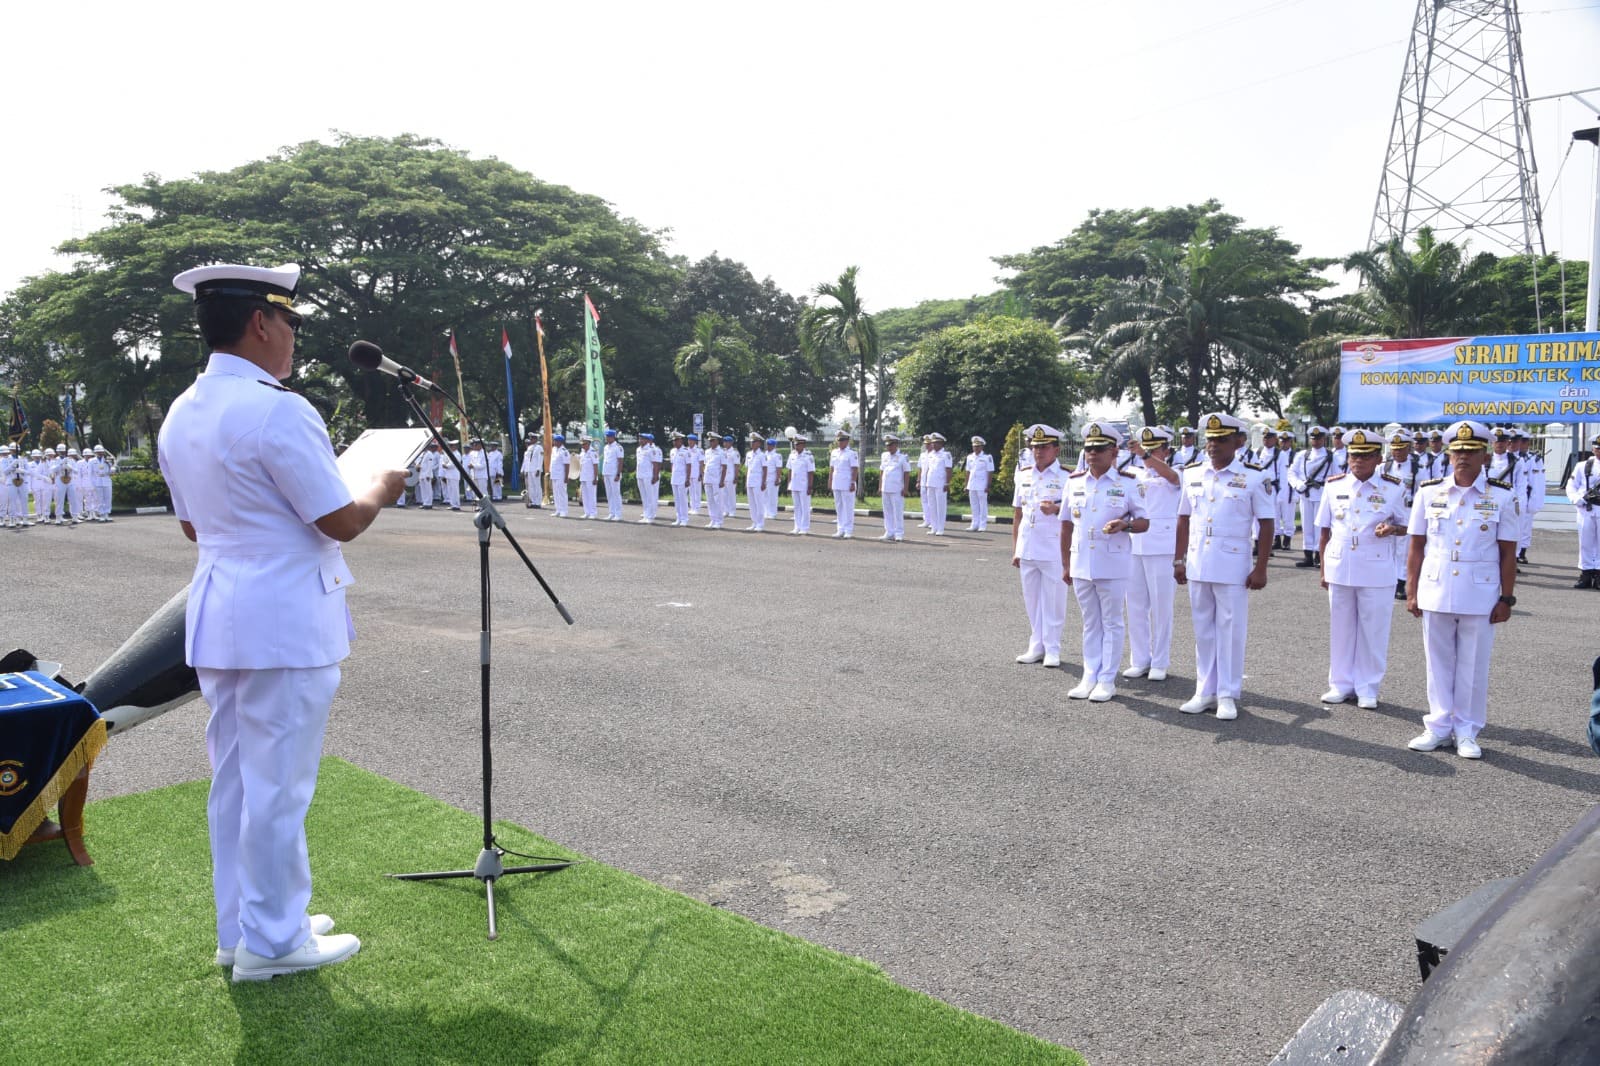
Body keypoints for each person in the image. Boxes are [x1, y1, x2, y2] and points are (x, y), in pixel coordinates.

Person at [159, 262, 404, 980]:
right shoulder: (279, 409)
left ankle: (246, 925)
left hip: (222, 610)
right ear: (261, 323)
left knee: (237, 781)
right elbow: (340, 519)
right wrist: (381, 486)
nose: (294, 337)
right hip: (283, 620)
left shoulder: (184, 409)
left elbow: (190, 527)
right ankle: (274, 943)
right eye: (290, 322)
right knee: (279, 788)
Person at [1404, 419, 1519, 760]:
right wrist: (1412, 591)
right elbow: (1416, 546)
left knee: (1472, 664)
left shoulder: (1501, 495)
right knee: (1437, 662)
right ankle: (1438, 726)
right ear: (1449, 453)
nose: (1463, 456)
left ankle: (1466, 730)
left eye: (1471, 450)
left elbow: (1508, 551)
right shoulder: (1428, 492)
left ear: (1485, 455)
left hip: (1480, 592)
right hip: (1436, 587)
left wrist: (1506, 597)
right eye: (1458, 450)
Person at [1174, 412, 1275, 721]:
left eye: (1222, 439)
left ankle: (1228, 694)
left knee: (1230, 630)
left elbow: (1268, 524)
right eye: (1211, 439)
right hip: (1198, 562)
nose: (1214, 445)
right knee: (1203, 629)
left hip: (1233, 564)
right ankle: (1205, 690)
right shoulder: (1192, 473)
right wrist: (1178, 560)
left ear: (1239, 441)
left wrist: (1261, 568)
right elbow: (1183, 518)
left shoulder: (1255, 476)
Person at [1316, 429, 1411, 710]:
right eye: (1354, 456)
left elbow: (1410, 527)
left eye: (1365, 456)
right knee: (1341, 628)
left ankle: (1368, 686)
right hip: (1340, 563)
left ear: (1378, 458)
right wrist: (1323, 569)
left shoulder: (1394, 488)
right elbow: (1324, 531)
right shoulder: (1333, 485)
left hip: (1376, 566)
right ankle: (1340, 684)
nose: (1358, 461)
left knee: (1373, 630)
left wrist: (1393, 528)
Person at [1062, 422, 1149, 701]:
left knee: (1111, 622)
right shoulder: (1074, 482)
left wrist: (1125, 525)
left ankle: (1107, 679)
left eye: (1099, 448)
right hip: (1081, 561)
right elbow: (1065, 525)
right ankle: (1090, 675)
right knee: (1090, 622)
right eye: (1088, 448)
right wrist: (1065, 563)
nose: (1092, 453)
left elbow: (1144, 522)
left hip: (1112, 562)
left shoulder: (1128, 482)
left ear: (1114, 452)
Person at [1124, 426, 1181, 681]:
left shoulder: (1177, 473)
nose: (1148, 454)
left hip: (1162, 546)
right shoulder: (1133, 474)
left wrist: (1146, 456)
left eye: (1154, 449)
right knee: (1135, 606)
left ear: (1166, 451)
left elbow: (1171, 477)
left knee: (1161, 607)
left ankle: (1160, 661)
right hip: (1135, 544)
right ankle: (1140, 659)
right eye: (1145, 449)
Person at [1012, 425, 1070, 668]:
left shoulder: (1068, 477)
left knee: (1054, 600)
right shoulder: (1024, 474)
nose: (1039, 451)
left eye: (1044, 447)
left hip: (1053, 547)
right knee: (1032, 599)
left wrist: (1056, 509)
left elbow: (1075, 514)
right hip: (1028, 545)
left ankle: (1053, 648)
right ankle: (1036, 645)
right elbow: (1017, 513)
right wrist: (1016, 548)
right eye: (1035, 447)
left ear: (1056, 449)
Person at [1380, 429, 1423, 598]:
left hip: (1407, 509)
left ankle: (1401, 581)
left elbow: (1421, 491)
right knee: (1388, 545)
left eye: (1401, 448)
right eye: (1394, 448)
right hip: (1387, 509)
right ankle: (1389, 579)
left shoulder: (1417, 468)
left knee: (1403, 548)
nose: (1397, 452)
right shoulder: (1385, 466)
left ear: (1408, 448)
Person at [1287, 426, 1335, 567]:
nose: (1316, 441)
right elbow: (1291, 472)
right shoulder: (1302, 455)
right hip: (1306, 493)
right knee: (1307, 525)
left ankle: (1319, 556)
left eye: (1319, 438)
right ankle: (1308, 555)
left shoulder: (1330, 456)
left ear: (1324, 439)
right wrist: (1297, 484)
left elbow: (1336, 475)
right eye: (1313, 438)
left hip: (1322, 493)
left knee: (1320, 526)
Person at [1564, 432, 1600, 589]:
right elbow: (1571, 486)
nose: (1599, 451)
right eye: (1597, 448)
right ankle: (1585, 574)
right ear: (1593, 448)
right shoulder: (1582, 465)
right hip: (1586, 508)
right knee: (1585, 542)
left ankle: (1599, 575)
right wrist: (1576, 499)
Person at [878, 433, 911, 541]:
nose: (889, 447)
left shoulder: (903, 457)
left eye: (891, 445)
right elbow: (882, 471)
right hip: (885, 487)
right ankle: (889, 531)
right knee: (887, 511)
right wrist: (880, 487)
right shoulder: (884, 456)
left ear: (896, 444)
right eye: (887, 445)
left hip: (897, 489)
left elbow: (907, 473)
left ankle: (899, 533)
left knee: (897, 511)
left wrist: (905, 488)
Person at [829, 431, 860, 539]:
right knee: (839, 507)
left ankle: (848, 530)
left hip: (847, 483)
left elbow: (855, 468)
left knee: (848, 507)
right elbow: (832, 468)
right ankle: (840, 529)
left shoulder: (852, 453)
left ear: (847, 441)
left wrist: (852, 482)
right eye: (839, 440)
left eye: (842, 440)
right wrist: (830, 481)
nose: (840, 442)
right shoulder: (834, 452)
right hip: (836, 482)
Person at [921, 432, 952, 535]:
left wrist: (947, 483)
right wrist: (925, 482)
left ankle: (940, 528)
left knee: (941, 506)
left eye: (936, 443)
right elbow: (927, 470)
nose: (933, 445)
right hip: (930, 483)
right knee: (932, 506)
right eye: (933, 443)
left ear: (941, 443)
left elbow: (948, 470)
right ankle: (934, 527)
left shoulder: (946, 455)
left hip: (940, 484)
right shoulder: (930, 455)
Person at [965, 436, 995, 532]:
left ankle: (982, 525)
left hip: (982, 484)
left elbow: (990, 472)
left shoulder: (987, 457)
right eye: (974, 446)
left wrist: (988, 485)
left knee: (982, 505)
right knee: (973, 505)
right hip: (972, 484)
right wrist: (966, 485)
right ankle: (974, 524)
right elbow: (968, 471)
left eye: (978, 446)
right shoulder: (970, 457)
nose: (976, 448)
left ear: (982, 447)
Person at [787, 434, 815, 534]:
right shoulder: (792, 455)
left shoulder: (808, 456)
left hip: (804, 485)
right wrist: (789, 483)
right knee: (796, 507)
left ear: (803, 445)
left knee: (805, 507)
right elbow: (790, 470)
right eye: (795, 444)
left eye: (798, 444)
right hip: (794, 484)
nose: (796, 446)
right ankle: (797, 526)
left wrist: (810, 486)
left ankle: (804, 527)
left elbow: (811, 472)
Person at [635, 432, 663, 523]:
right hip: (640, 475)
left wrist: (655, 476)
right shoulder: (639, 449)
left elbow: (656, 464)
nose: (640, 440)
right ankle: (646, 514)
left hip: (648, 475)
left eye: (642, 439)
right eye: (640, 439)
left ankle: (650, 516)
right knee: (644, 497)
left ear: (647, 440)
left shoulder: (652, 450)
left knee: (650, 496)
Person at [744, 432, 769, 532]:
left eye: (754, 442)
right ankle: (754, 522)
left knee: (759, 504)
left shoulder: (762, 455)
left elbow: (765, 469)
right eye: (751, 442)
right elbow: (747, 469)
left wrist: (764, 482)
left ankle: (760, 523)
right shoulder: (748, 454)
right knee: (752, 504)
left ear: (759, 443)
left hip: (758, 482)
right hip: (750, 481)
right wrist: (746, 482)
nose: (752, 444)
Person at [668, 431, 691, 526]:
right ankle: (678, 518)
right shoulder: (672, 451)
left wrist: (688, 479)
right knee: (677, 500)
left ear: (681, 441)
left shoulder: (686, 451)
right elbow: (672, 465)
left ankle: (685, 519)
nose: (675, 442)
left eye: (676, 440)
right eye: (674, 441)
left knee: (683, 499)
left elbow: (689, 466)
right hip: (675, 478)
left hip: (682, 479)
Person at [601, 428, 624, 521]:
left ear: (613, 437)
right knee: (609, 494)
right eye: (606, 436)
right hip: (606, 472)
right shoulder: (606, 447)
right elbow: (605, 461)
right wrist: (603, 473)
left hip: (614, 473)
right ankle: (611, 513)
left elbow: (620, 461)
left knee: (616, 494)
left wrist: (618, 474)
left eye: (608, 436)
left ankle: (618, 514)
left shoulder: (618, 447)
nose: (607, 438)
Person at [548, 433, 571, 517]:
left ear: (560, 442)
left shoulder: (564, 451)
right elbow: (552, 462)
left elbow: (567, 465)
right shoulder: (554, 449)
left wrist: (566, 476)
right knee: (556, 493)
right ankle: (558, 509)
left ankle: (564, 511)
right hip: (554, 474)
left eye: (556, 441)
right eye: (554, 440)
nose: (554, 442)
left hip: (561, 475)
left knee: (562, 493)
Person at [577, 435, 599, 518]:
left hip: (591, 477)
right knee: (585, 496)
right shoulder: (582, 453)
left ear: (589, 443)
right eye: (582, 444)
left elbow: (595, 465)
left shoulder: (593, 452)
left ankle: (593, 513)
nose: (583, 445)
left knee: (591, 496)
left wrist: (595, 477)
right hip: (583, 476)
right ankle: (587, 512)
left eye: (584, 444)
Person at [520, 436, 544, 509]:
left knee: (537, 486)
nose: (531, 440)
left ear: (536, 439)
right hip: (529, 470)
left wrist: (538, 469)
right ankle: (533, 501)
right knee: (531, 486)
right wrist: (524, 470)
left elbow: (540, 459)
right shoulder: (529, 448)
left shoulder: (539, 447)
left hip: (535, 469)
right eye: (530, 438)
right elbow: (526, 461)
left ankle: (538, 502)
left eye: (532, 438)